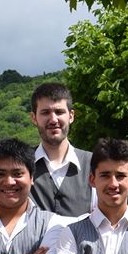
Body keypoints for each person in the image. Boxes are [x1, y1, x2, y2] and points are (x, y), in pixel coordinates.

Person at [28, 82, 93, 215]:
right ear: (34, 118)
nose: (53, 119)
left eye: (59, 112)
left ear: (71, 116)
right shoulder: (21, 164)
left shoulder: (94, 163)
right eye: (45, 112)